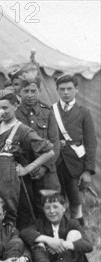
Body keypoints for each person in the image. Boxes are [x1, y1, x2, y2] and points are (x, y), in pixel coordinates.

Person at [0, 90, 55, 230]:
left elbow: (49, 152)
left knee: (6, 214)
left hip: (7, 174)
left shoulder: (23, 130)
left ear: (15, 106)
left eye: (5, 108)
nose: (1, 111)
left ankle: (9, 249)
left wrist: (27, 169)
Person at [20, 190, 92, 262]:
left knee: (74, 234)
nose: (51, 211)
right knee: (37, 240)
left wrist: (65, 244)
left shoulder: (72, 223)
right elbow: (24, 232)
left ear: (64, 207)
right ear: (43, 210)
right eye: (47, 208)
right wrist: (49, 240)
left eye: (55, 207)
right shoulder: (39, 223)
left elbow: (88, 246)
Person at [53, 74, 97, 226]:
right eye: (62, 89)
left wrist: (88, 171)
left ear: (76, 90)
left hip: (76, 165)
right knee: (55, 205)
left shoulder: (84, 112)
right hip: (55, 164)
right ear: (57, 90)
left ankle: (78, 239)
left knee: (76, 205)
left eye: (69, 89)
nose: (66, 92)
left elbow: (91, 143)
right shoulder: (51, 111)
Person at [15, 77, 61, 218]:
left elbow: (55, 143)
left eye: (33, 91)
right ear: (19, 92)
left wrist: (44, 167)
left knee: (52, 205)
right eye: (26, 91)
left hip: (47, 170)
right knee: (26, 209)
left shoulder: (47, 112)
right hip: (23, 169)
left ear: (39, 91)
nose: (30, 95)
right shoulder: (14, 114)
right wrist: (26, 167)